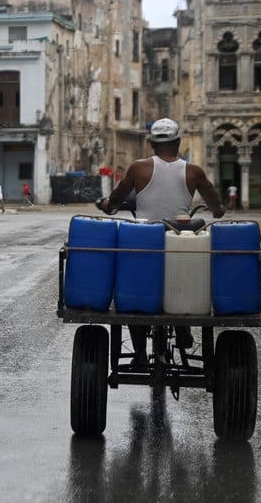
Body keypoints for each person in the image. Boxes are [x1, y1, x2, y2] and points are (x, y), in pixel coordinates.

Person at [100, 117, 225, 365]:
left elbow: (116, 198)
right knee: (186, 272)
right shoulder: (193, 172)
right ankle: (183, 326)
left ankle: (138, 354)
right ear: (178, 142)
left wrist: (108, 206)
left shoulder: (138, 168)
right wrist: (218, 210)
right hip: (180, 238)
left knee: (134, 290)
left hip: (144, 241)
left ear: (151, 143)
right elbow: (215, 205)